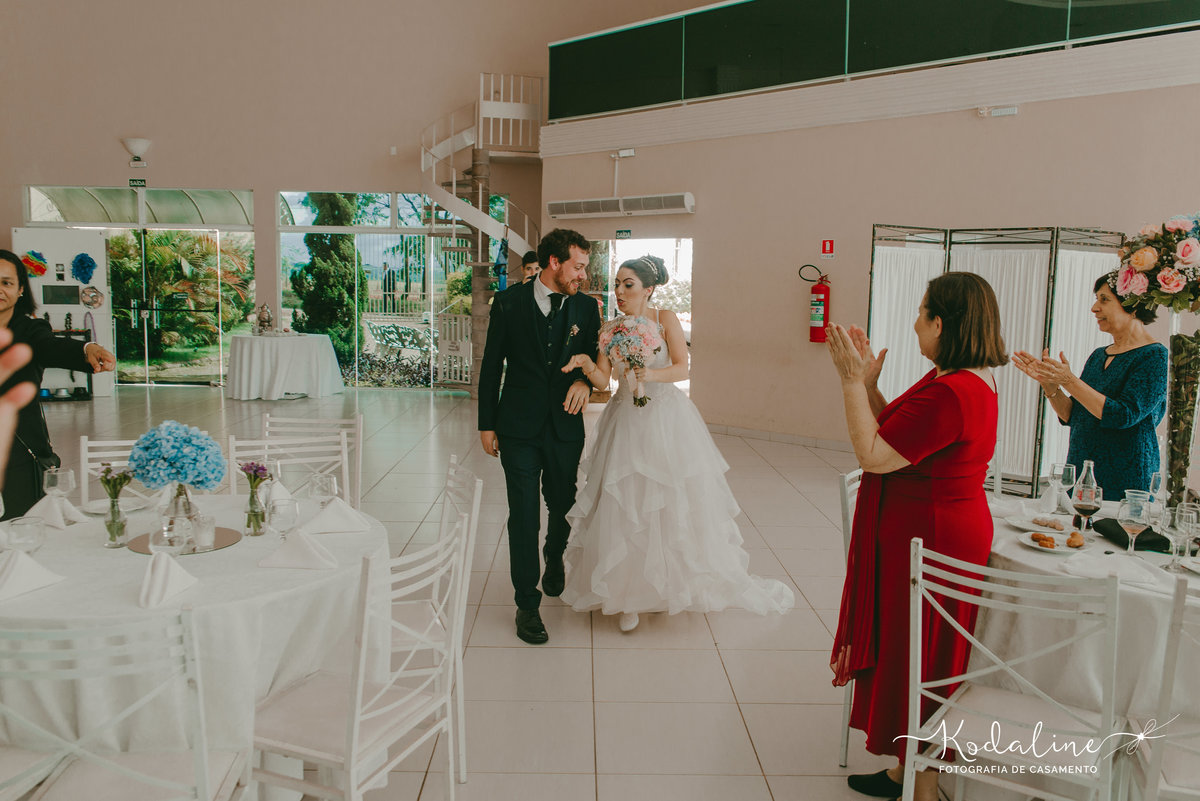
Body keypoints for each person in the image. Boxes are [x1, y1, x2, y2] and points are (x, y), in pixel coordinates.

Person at [826, 272, 1006, 801]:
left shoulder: (952, 392)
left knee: (923, 657)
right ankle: (906, 769)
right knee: (912, 652)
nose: (914, 324)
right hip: (931, 527)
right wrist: (871, 388)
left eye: (921, 313)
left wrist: (849, 383)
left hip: (933, 536)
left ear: (941, 323)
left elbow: (873, 455)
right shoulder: (958, 379)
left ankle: (923, 784)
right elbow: (902, 438)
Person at [558, 255, 794, 631]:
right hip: (625, 420)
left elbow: (683, 367)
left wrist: (648, 374)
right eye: (617, 284)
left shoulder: (664, 318)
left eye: (628, 284)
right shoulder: (610, 328)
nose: (620, 291)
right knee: (627, 503)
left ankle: (670, 585)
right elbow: (605, 380)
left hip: (665, 419)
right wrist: (587, 363)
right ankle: (628, 596)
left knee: (668, 503)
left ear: (649, 289)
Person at [477, 229, 602, 644]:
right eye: (578, 266)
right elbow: (492, 364)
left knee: (563, 503)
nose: (583, 275)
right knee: (524, 512)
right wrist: (486, 423)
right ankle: (526, 604)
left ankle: (555, 553)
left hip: (565, 424)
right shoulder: (509, 302)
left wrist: (584, 382)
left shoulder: (587, 307)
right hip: (517, 427)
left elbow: (594, 361)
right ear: (554, 262)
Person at [1011, 274, 1167, 497]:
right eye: (1096, 299)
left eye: (1104, 299)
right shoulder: (1098, 355)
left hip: (1125, 479)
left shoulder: (1154, 356)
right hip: (1082, 473)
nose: (1094, 308)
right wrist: (1050, 384)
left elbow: (1123, 415)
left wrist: (1069, 380)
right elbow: (1072, 415)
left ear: (1133, 305)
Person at [0, 250, 116, 519]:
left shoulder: (30, 331)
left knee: (22, 527)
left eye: (6, 282)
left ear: (20, 290)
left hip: (17, 455)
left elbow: (50, 346)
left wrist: (86, 349)